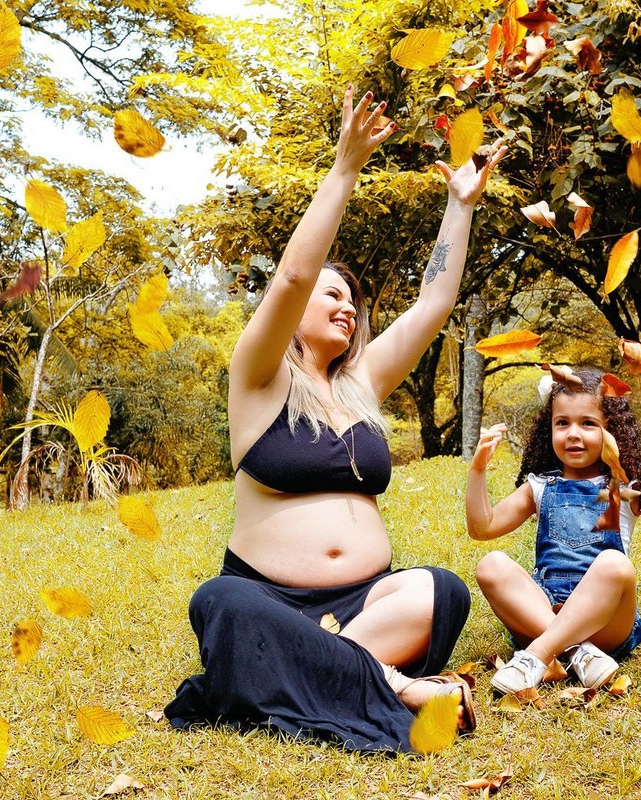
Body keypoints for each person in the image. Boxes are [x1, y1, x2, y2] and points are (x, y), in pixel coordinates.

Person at [165, 86, 506, 753]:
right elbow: (294, 276)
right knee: (222, 604)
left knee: (441, 591)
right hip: (268, 599)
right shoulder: (258, 376)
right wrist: (346, 166)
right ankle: (400, 687)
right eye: (334, 295)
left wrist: (460, 206)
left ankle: (311, 669)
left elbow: (434, 303)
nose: (348, 307)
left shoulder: (362, 382)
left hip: (366, 604)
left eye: (352, 299)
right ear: (296, 314)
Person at [466, 366, 641, 695]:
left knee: (614, 564)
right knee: (491, 564)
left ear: (611, 430)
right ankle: (578, 652)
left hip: (607, 624)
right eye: (562, 423)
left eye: (588, 423)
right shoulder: (539, 487)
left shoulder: (627, 489)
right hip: (541, 611)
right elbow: (482, 527)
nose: (573, 433)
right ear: (548, 428)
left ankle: (538, 654)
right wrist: (478, 469)